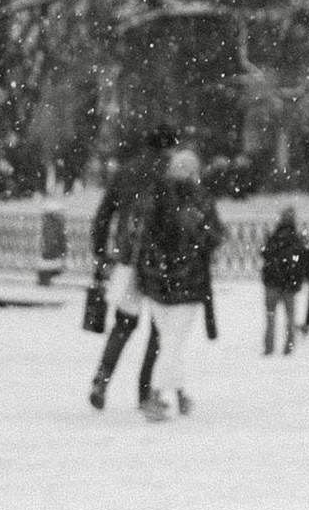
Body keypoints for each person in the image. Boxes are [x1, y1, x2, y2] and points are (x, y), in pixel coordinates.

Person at [136, 148, 222, 421]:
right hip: (188, 282)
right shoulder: (198, 201)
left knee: (169, 341)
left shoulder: (154, 197)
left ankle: (180, 393)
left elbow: (143, 235)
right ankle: (157, 396)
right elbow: (213, 235)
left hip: (155, 282)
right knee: (173, 343)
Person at [87, 133, 168, 412]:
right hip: (160, 262)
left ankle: (102, 378)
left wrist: (101, 252)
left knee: (124, 325)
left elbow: (103, 214)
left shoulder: (127, 171)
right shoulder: (169, 173)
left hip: (129, 258)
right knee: (159, 329)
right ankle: (144, 392)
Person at [260, 206, 307, 355]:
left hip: (273, 282)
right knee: (290, 318)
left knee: (271, 318)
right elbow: (299, 261)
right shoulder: (296, 240)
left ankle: (269, 347)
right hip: (289, 284)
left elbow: (266, 255)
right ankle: (289, 346)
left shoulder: (274, 237)